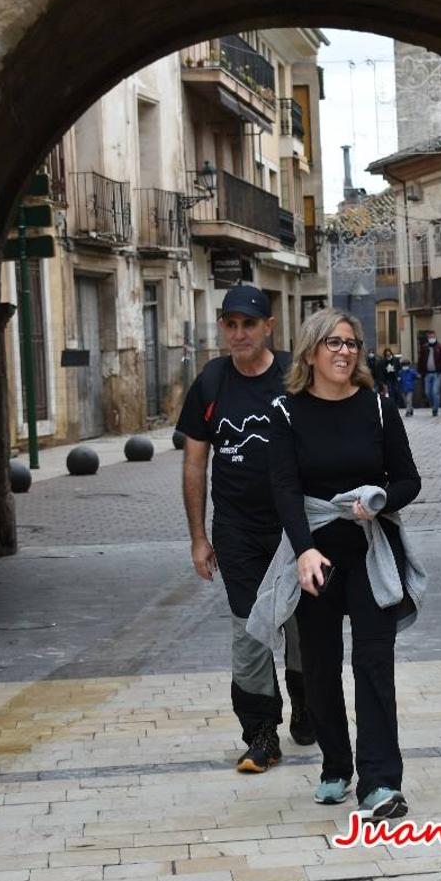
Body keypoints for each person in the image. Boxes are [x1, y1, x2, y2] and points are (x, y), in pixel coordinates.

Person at [263, 307, 423, 820]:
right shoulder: (285, 413)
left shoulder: (378, 406)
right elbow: (285, 490)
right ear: (311, 351)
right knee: (320, 665)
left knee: (374, 663)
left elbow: (408, 479)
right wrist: (304, 549)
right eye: (333, 342)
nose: (344, 351)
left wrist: (380, 497)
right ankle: (336, 765)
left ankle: (380, 781)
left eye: (351, 343)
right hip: (314, 554)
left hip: (373, 550)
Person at [176, 284, 312, 774]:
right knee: (248, 631)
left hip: (294, 528)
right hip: (236, 530)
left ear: (268, 327)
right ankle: (260, 733)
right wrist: (198, 537)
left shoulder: (294, 379)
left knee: (301, 623)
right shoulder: (211, 382)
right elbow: (195, 464)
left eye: (248, 324)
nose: (238, 334)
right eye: (230, 324)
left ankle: (306, 703)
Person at [417, 329, 441, 416]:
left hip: (438, 373)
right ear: (427, 338)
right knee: (427, 392)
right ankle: (433, 405)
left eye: (432, 337)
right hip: (427, 374)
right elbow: (420, 360)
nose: (431, 338)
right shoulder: (424, 348)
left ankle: (435, 409)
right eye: (429, 337)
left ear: (435, 337)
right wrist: (419, 371)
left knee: (435, 391)